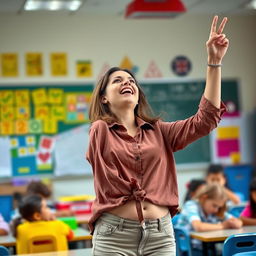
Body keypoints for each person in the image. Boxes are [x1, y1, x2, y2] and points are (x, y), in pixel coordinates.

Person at [86, 15, 229, 255]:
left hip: (160, 234)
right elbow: (109, 178)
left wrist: (214, 62)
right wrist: (139, 192)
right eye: (117, 80)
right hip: (114, 235)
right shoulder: (100, 130)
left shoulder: (159, 131)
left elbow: (206, 120)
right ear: (104, 98)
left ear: (138, 94)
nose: (127, 82)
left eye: (131, 80)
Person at [176, 183, 242, 254]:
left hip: (208, 248)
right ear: (204, 198)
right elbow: (199, 227)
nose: (216, 210)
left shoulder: (214, 211)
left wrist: (236, 223)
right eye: (214, 205)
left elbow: (237, 222)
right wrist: (223, 225)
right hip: (189, 249)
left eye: (219, 207)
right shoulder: (191, 205)